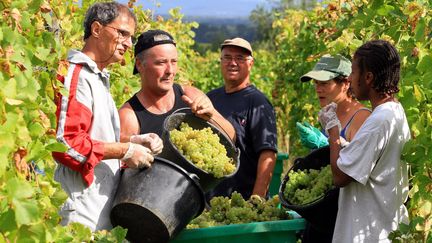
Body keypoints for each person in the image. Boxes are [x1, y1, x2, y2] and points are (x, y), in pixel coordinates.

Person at [52, 2, 163, 231]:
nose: (128, 44)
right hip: (80, 215)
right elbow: (67, 145)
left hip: (96, 211)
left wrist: (133, 141)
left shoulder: (96, 77)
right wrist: (125, 151)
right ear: (96, 29)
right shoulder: (78, 76)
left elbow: (92, 136)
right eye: (122, 33)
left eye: (131, 37)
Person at [319, 40, 410, 242]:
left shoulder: (378, 121)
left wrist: (333, 130)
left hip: (368, 235)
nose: (350, 79)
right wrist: (345, 145)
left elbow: (340, 177)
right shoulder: (394, 112)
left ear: (368, 77)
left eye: (353, 72)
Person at [297, 54, 371, 242]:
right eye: (315, 83)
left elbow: (357, 170)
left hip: (346, 218)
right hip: (324, 214)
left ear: (346, 83)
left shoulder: (361, 118)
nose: (318, 89)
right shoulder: (330, 113)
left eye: (324, 83)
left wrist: (331, 143)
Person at [118, 29, 235, 146]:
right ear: (139, 65)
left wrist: (212, 117)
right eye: (161, 62)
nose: (170, 70)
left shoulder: (191, 95)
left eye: (174, 62)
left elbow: (231, 137)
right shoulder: (129, 116)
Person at [205, 37, 278, 200]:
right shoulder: (211, 98)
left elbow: (267, 154)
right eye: (228, 57)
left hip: (241, 202)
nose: (233, 63)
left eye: (240, 58)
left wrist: (256, 199)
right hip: (210, 201)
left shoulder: (257, 102)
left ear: (250, 64)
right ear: (220, 62)